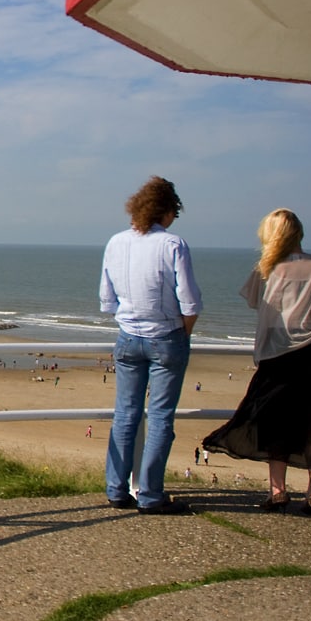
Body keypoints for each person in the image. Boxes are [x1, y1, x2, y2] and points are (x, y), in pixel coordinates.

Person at [202, 209, 311, 515]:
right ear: (299, 233)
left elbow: (256, 302)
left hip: (280, 354)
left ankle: (278, 491)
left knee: (277, 422)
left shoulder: (267, 268)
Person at [98, 176, 202, 514]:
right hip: (166, 336)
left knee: (125, 416)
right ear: (166, 211)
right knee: (159, 418)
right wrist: (181, 335)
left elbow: (107, 300)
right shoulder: (173, 245)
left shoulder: (115, 243)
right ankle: (151, 494)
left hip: (128, 338)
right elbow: (190, 303)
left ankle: (116, 489)